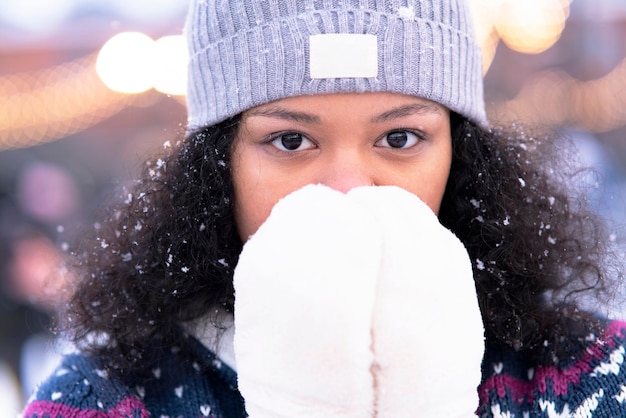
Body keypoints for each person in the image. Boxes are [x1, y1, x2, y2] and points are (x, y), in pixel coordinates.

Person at [22, 0, 626, 417]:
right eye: (291, 141)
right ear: (218, 166)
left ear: (461, 156)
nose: (348, 189)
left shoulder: (588, 379)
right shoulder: (107, 399)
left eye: (398, 140)